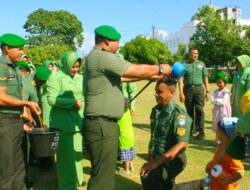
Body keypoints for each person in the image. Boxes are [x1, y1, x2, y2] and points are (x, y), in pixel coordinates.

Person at [83, 25, 171, 190]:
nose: (120, 44)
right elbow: (134, 69)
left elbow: (124, 77)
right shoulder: (102, 57)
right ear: (107, 41)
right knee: (102, 177)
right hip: (102, 125)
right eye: (118, 41)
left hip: (102, 125)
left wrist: (150, 76)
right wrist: (160, 68)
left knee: (104, 173)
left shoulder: (97, 58)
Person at [0, 33, 41, 190]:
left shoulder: (16, 68)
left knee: (20, 165)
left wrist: (25, 117)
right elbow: (1, 98)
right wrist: (26, 103)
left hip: (16, 121)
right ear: (7, 48)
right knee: (7, 167)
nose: (22, 52)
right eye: (19, 49)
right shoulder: (2, 68)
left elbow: (19, 95)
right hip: (5, 122)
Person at [140, 78, 192, 190]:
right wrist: (151, 152)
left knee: (148, 177)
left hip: (174, 159)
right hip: (158, 156)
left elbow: (182, 145)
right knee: (167, 185)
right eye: (156, 91)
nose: (156, 94)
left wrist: (156, 163)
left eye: (159, 92)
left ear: (172, 93)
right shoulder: (156, 110)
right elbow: (154, 134)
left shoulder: (180, 116)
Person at [47, 51, 84, 189]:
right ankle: (67, 186)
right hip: (63, 124)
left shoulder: (80, 78)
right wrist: (72, 102)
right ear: (66, 64)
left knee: (77, 155)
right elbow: (51, 99)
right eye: (73, 66)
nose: (76, 69)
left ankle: (78, 180)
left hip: (78, 123)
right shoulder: (56, 77)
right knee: (66, 159)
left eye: (78, 66)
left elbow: (84, 96)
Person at [179, 47, 210, 139]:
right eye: (193, 54)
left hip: (199, 89)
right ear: (189, 55)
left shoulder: (201, 64)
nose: (195, 55)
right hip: (187, 90)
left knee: (200, 110)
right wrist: (181, 93)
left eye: (196, 54)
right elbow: (180, 80)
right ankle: (191, 130)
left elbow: (205, 77)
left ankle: (201, 132)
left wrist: (207, 91)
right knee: (189, 111)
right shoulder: (184, 65)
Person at [205, 117, 244, 190]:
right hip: (215, 186)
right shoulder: (220, 146)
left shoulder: (231, 154)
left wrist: (226, 182)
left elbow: (239, 173)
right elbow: (219, 162)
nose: (216, 131)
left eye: (218, 130)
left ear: (226, 137)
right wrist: (211, 164)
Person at [210, 71, 231, 145]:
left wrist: (216, 100)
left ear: (224, 82)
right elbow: (211, 100)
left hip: (224, 111)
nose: (218, 84)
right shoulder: (215, 91)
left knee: (223, 125)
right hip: (216, 111)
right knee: (216, 124)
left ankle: (224, 140)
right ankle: (217, 140)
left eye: (220, 82)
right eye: (217, 82)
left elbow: (223, 102)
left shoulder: (226, 92)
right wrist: (217, 101)